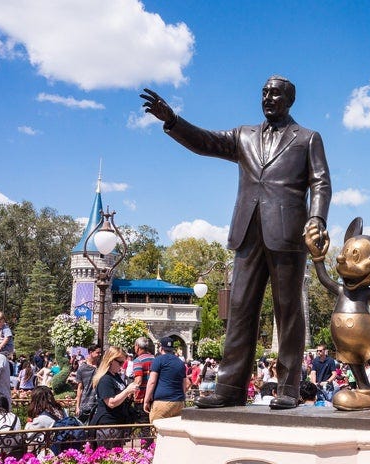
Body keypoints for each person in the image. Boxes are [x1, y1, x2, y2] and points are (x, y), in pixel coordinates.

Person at [142, 76, 331, 411]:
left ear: (289, 99)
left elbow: (321, 182)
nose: (267, 98)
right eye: (263, 93)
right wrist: (172, 120)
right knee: (241, 308)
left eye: (274, 93)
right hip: (247, 231)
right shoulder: (244, 135)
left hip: (288, 233)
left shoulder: (307, 138)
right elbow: (205, 142)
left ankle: (288, 388)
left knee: (288, 311)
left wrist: (316, 219)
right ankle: (230, 387)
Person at [90, 346, 138, 448]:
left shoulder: (115, 376)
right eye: (120, 363)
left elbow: (119, 395)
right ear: (111, 361)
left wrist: (128, 394)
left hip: (117, 422)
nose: (122, 366)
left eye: (123, 363)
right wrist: (127, 391)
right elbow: (111, 403)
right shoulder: (105, 379)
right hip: (107, 425)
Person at [143, 337, 189, 423]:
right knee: (175, 433)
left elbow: (152, 382)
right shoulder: (180, 362)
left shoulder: (158, 360)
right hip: (178, 402)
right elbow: (184, 384)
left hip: (162, 402)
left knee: (157, 430)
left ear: (161, 348)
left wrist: (146, 401)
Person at [75, 344, 102, 424]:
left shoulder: (101, 367)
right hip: (86, 403)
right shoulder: (82, 369)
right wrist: (77, 406)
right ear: (91, 352)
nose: (99, 355)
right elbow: (80, 388)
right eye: (98, 353)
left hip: (99, 403)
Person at [132, 337, 154, 424]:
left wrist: (130, 392)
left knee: (143, 426)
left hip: (141, 398)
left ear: (137, 346)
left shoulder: (138, 360)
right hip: (153, 397)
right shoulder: (154, 359)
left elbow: (138, 381)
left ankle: (144, 439)